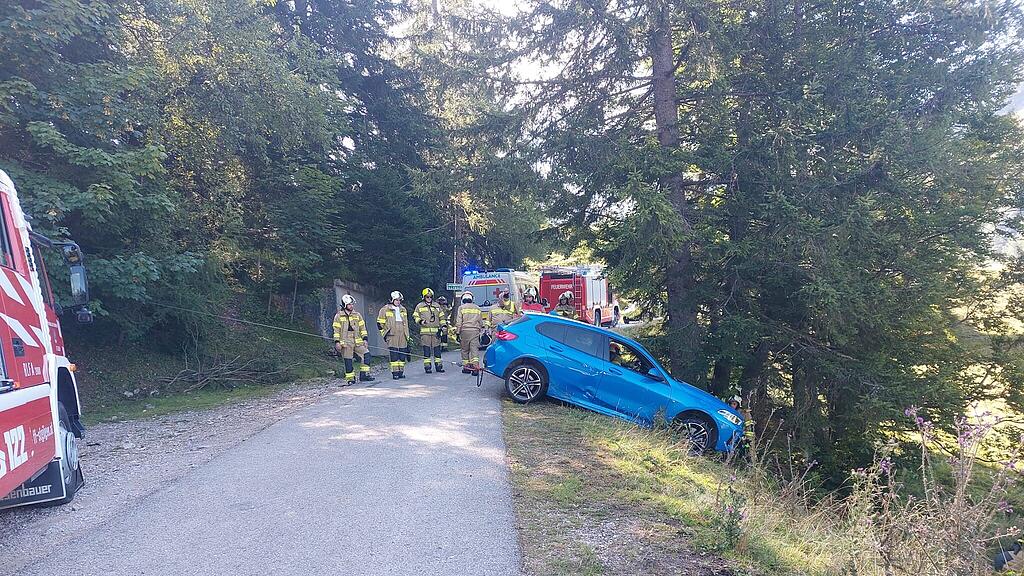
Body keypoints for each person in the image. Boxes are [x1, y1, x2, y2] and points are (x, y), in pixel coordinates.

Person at [332, 294, 375, 386]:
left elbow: (363, 328)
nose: (351, 306)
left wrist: (365, 339)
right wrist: (337, 342)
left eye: (352, 304)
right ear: (344, 305)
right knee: (348, 361)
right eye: (349, 304)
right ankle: (350, 379)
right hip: (345, 342)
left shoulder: (357, 315)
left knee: (366, 355)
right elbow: (336, 330)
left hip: (357, 341)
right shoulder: (338, 316)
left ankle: (364, 375)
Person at [377, 291, 410, 380]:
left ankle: (401, 372)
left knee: (402, 354)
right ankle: (395, 372)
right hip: (392, 334)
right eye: (396, 300)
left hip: (402, 334)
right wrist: (384, 334)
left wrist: (407, 335)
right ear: (392, 300)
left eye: (399, 300)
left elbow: (406, 323)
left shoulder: (403, 309)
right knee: (394, 354)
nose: (398, 302)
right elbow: (380, 323)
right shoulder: (385, 309)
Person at [413, 288, 447, 374]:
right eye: (427, 297)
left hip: (436, 332)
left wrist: (443, 325)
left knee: (437, 350)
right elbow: (415, 316)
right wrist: (421, 321)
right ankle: (427, 367)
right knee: (426, 350)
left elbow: (442, 317)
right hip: (425, 332)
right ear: (424, 297)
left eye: (430, 297)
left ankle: (439, 366)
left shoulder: (437, 306)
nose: (429, 298)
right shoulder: (419, 306)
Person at [455, 290, 487, 375]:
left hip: (464, 331)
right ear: (471, 299)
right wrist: (481, 330)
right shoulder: (477, 308)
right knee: (474, 350)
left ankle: (466, 368)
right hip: (475, 331)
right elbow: (480, 321)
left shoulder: (461, 308)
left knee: (465, 350)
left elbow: (459, 321)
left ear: (463, 299)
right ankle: (475, 368)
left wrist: (457, 333)